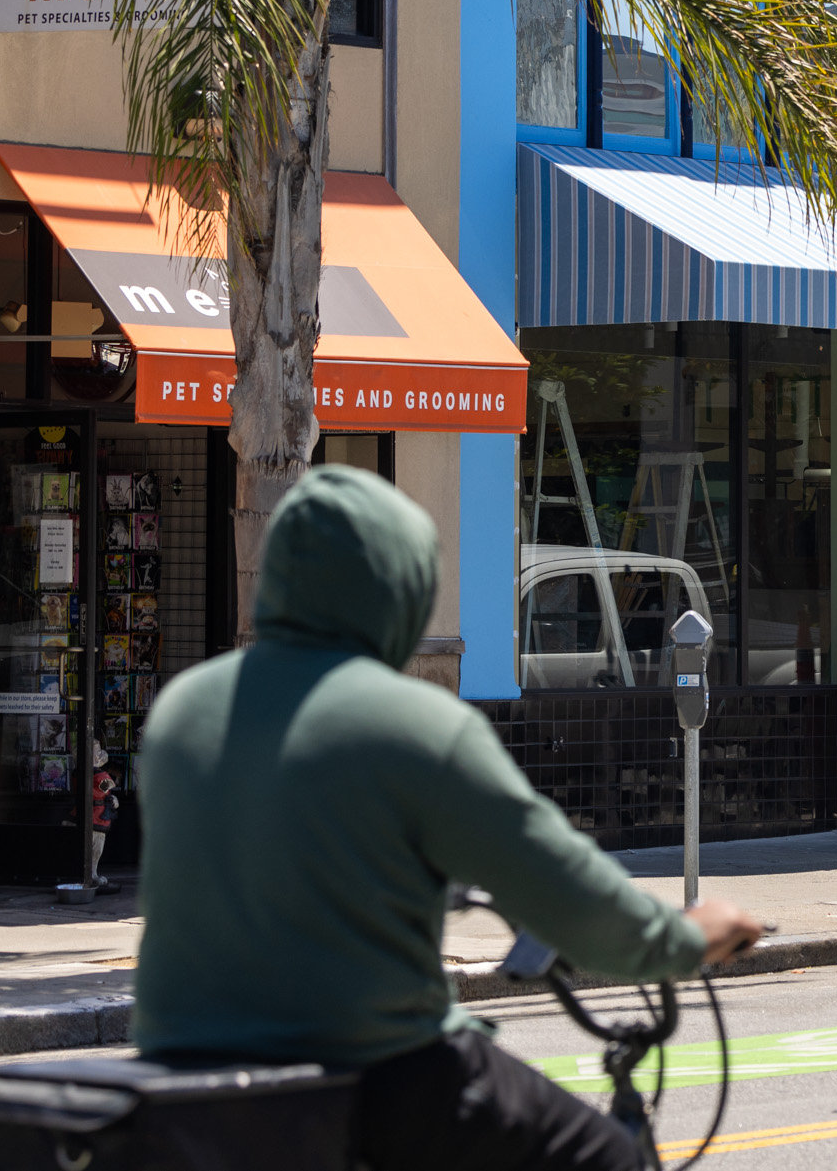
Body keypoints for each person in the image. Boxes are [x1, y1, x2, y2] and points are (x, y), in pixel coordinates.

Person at [131, 465, 765, 1171]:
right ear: (396, 591)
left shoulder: (180, 711)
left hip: (187, 1075)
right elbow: (562, 889)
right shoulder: (414, 723)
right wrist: (681, 935)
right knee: (605, 1156)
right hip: (374, 1070)